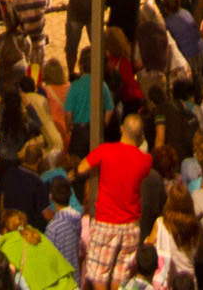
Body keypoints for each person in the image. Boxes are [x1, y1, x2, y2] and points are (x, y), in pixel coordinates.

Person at [78, 114, 152, 289]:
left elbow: (81, 168)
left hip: (106, 222)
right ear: (141, 136)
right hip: (130, 226)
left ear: (121, 129)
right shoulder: (145, 160)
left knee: (99, 274)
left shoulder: (105, 150)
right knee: (121, 275)